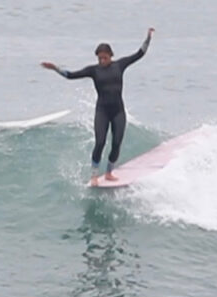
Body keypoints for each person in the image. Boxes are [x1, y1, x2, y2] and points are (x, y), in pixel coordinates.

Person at [41, 27, 154, 185]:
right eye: (99, 58)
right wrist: (55, 68)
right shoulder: (93, 71)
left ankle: (109, 172)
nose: (102, 61)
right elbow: (71, 75)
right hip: (102, 111)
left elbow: (139, 54)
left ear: (111, 56)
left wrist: (148, 38)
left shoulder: (119, 65)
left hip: (118, 111)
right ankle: (94, 175)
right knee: (100, 142)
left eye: (104, 58)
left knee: (116, 144)